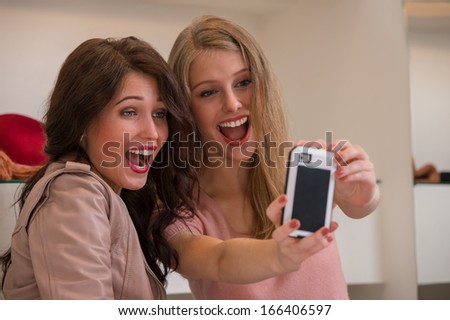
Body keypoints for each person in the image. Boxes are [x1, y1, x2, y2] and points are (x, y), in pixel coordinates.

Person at [164, 15, 380, 299]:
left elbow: (358, 206)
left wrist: (364, 192)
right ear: (185, 109)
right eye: (208, 92)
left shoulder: (300, 165)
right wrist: (279, 255)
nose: (232, 103)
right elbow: (218, 259)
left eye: (243, 82)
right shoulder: (176, 208)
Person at [0, 36, 197, 299]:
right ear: (81, 122)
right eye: (129, 112)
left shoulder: (106, 193)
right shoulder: (75, 196)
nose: (153, 133)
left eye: (159, 114)